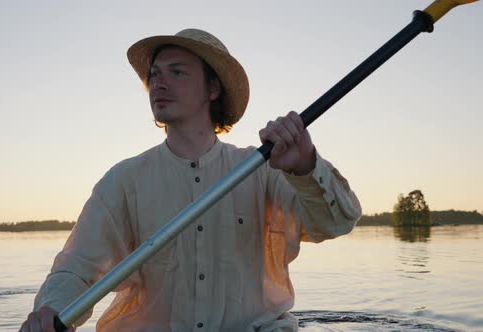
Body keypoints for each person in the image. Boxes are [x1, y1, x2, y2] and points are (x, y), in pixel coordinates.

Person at [19, 28, 361, 332]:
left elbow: (337, 223)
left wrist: (304, 167)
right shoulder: (123, 181)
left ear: (212, 88)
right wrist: (51, 311)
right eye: (154, 75)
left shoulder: (266, 169)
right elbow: (77, 267)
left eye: (177, 72)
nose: (159, 83)